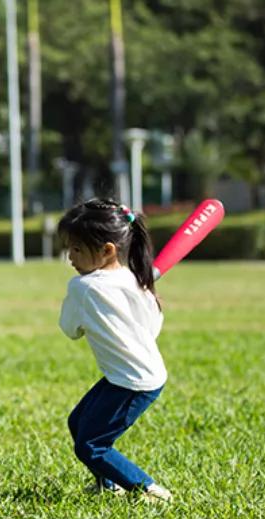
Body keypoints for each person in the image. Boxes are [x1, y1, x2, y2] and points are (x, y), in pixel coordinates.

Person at [58, 198, 172, 502]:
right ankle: (109, 484)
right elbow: (153, 325)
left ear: (108, 250)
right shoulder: (135, 279)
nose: (70, 257)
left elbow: (71, 330)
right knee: (78, 422)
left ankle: (148, 490)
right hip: (135, 373)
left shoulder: (83, 287)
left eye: (77, 249)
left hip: (132, 381)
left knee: (91, 445)